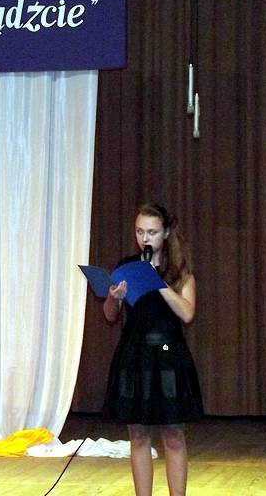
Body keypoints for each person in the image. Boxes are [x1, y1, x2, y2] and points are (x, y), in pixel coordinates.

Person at [102, 203, 203, 496]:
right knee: (138, 436)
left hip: (169, 353)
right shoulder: (127, 267)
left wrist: (156, 282)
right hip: (135, 354)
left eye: (151, 232)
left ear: (166, 232)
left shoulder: (179, 271)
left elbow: (187, 313)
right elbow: (110, 315)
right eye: (139, 232)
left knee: (173, 435)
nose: (144, 238)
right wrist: (114, 297)